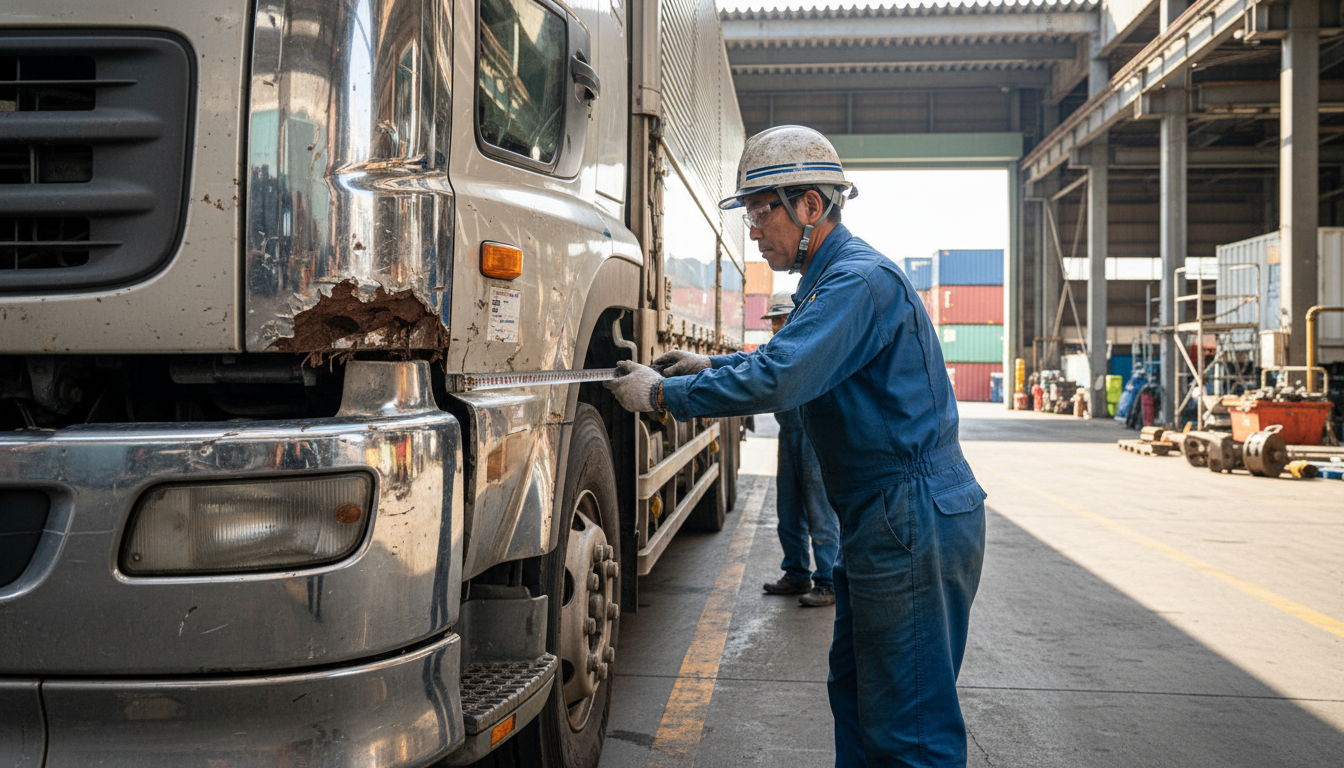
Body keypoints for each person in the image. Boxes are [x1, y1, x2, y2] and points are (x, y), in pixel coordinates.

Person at [609, 125, 987, 767]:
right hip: (882, 517)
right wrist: (705, 368)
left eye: (761, 213)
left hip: (909, 516)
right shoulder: (827, 281)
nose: (752, 231)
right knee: (859, 695)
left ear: (811, 206)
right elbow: (794, 357)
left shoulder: (857, 283)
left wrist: (663, 398)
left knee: (909, 727)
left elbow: (785, 377)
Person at [759, 299, 841, 608]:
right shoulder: (776, 350)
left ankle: (828, 581)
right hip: (788, 437)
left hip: (813, 438)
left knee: (820, 513)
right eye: (773, 321)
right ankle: (796, 573)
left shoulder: (809, 345)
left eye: (780, 319)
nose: (775, 326)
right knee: (788, 510)